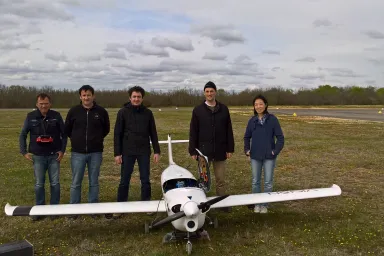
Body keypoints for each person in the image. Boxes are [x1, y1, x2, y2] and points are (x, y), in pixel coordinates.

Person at [110, 86, 160, 219]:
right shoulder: (123, 112)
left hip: (144, 151)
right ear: (130, 98)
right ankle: (121, 206)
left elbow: (153, 133)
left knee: (145, 179)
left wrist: (157, 151)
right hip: (128, 151)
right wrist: (117, 153)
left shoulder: (148, 113)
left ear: (142, 98)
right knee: (124, 180)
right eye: (134, 97)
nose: (136, 99)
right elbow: (117, 134)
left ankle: (146, 204)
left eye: (139, 97)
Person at [19, 93, 67, 221]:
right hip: (38, 157)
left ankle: (54, 210)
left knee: (55, 183)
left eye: (46, 103)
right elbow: (23, 134)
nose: (43, 106)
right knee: (39, 184)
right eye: (41, 104)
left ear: (50, 104)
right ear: (37, 104)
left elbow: (64, 134)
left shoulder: (56, 116)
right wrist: (24, 152)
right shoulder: (31, 117)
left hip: (54, 156)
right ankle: (39, 209)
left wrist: (62, 151)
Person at [64, 85, 110, 219]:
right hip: (77, 153)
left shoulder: (101, 111)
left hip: (95, 152)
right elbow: (67, 129)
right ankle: (73, 209)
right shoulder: (74, 111)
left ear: (93, 96)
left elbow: (106, 129)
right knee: (76, 181)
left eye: (88, 95)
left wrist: (95, 140)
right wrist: (77, 140)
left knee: (93, 181)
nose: (86, 98)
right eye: (84, 95)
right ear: (80, 97)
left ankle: (93, 208)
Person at [189, 81, 235, 206]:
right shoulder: (198, 110)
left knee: (220, 179)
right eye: (207, 91)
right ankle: (202, 203)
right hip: (204, 152)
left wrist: (230, 148)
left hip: (220, 150)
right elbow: (193, 131)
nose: (209, 94)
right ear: (204, 93)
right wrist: (193, 150)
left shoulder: (223, 109)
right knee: (204, 180)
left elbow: (228, 129)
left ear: (215, 92)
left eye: (211, 91)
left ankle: (221, 204)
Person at [243, 94, 284, 214]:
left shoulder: (272, 119)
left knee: (268, 182)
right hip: (255, 156)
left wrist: (274, 151)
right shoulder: (252, 121)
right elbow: (246, 137)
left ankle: (265, 205)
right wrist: (247, 150)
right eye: (256, 104)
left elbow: (280, 138)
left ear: (265, 105)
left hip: (269, 157)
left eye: (261, 104)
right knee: (255, 181)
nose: (258, 106)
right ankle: (257, 204)